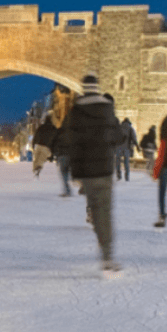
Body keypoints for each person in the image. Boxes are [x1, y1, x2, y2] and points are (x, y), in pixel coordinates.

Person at [61, 73, 122, 274]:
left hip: (85, 171)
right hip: (104, 168)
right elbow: (118, 136)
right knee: (104, 211)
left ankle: (101, 241)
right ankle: (107, 256)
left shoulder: (75, 111)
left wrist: (72, 168)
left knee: (96, 210)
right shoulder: (107, 108)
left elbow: (69, 140)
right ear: (97, 86)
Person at [31, 113, 57, 179]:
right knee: (41, 159)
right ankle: (38, 169)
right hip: (46, 147)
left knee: (36, 159)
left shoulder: (41, 127)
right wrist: (53, 153)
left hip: (39, 145)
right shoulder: (53, 128)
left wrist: (33, 144)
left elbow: (36, 135)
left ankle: (35, 171)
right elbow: (55, 142)